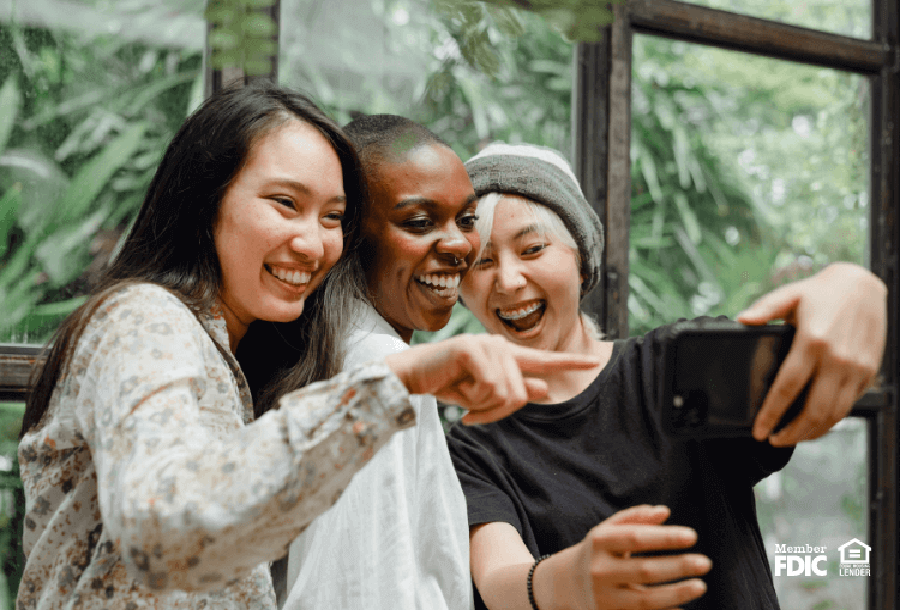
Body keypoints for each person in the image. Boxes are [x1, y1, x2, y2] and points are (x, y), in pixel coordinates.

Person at [16, 90, 599, 610]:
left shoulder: (230, 352)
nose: (314, 242)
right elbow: (162, 532)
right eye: (285, 204)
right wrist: (394, 386)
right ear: (206, 199)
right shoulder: (146, 319)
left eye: (333, 217)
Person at [446, 142, 887, 610]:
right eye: (482, 263)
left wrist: (855, 286)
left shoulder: (677, 366)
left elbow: (808, 354)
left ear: (581, 259)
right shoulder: (472, 445)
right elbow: (499, 581)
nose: (508, 280)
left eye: (532, 248)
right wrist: (568, 579)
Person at [281, 115, 478, 610]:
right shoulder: (381, 368)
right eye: (419, 222)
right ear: (350, 236)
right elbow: (358, 591)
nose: (458, 245)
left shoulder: (348, 351)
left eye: (468, 219)